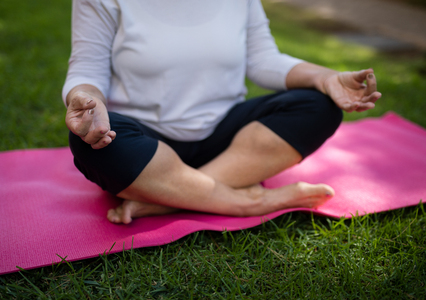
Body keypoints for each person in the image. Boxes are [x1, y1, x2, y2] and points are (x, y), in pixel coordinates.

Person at [63, 0, 381, 224]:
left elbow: (263, 59)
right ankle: (248, 201)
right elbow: (88, 68)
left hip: (226, 141)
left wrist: (325, 78)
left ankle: (168, 199)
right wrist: (84, 98)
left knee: (320, 105)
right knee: (88, 141)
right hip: (147, 149)